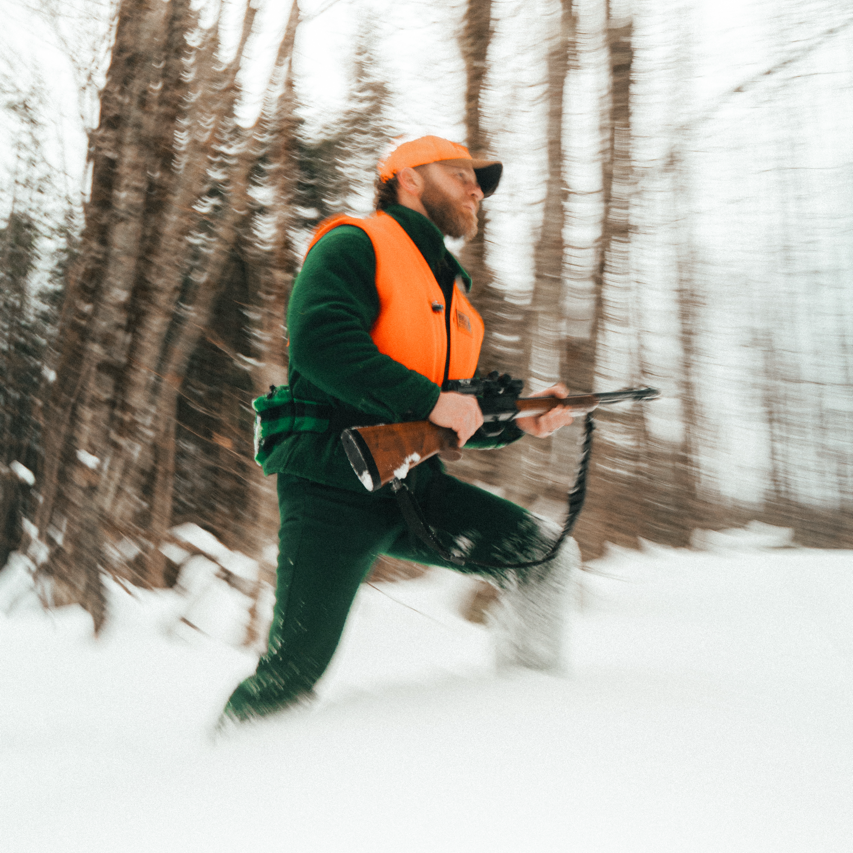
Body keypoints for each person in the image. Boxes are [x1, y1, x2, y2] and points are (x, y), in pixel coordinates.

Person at [220, 136, 579, 725]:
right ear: (408, 179)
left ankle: (527, 718)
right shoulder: (354, 245)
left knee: (544, 558)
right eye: (461, 174)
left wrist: (520, 420)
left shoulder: (452, 294)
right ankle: (214, 777)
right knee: (292, 673)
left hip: (414, 488)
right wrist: (429, 401)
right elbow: (321, 343)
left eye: (480, 185)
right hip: (332, 486)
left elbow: (449, 418)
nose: (475, 191)